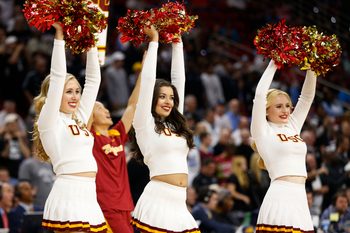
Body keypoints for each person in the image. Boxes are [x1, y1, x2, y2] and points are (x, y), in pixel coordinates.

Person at [32, 23, 107, 232]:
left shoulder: (80, 118)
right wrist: (59, 37)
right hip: (69, 191)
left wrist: (91, 43)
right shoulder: (50, 120)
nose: (75, 96)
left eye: (77, 91)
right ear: (55, 95)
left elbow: (94, 80)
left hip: (89, 193)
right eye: (69, 92)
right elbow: (57, 78)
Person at [130, 25, 199, 233]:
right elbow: (149, 81)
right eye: (162, 96)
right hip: (157, 201)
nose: (168, 101)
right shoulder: (144, 123)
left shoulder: (175, 124)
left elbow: (180, 81)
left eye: (171, 97)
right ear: (152, 98)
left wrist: (177, 43)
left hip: (179, 203)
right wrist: (154, 42)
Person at [250, 60, 317, 233]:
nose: (285, 110)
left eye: (287, 106)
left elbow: (307, 97)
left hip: (300, 198)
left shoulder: (292, 126)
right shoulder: (262, 131)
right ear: (265, 110)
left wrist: (313, 66)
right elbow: (259, 96)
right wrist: (274, 62)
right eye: (278, 106)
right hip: (280, 197)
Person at [87, 52, 144, 233]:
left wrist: (145, 70)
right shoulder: (89, 138)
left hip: (126, 204)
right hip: (105, 205)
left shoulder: (117, 134)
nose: (105, 110)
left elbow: (132, 105)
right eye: (99, 107)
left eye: (105, 106)